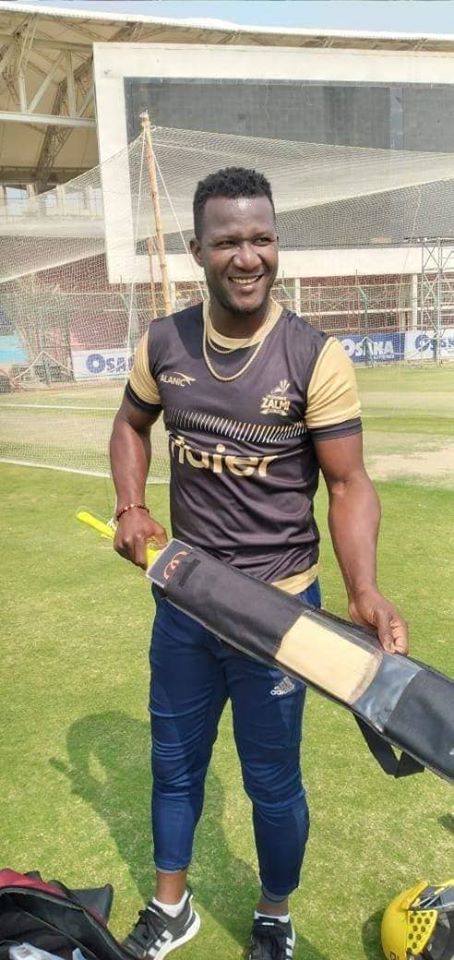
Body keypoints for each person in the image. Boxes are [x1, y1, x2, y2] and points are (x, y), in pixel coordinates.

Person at [110, 167, 409, 960]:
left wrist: (364, 588)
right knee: (174, 763)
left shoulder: (314, 356)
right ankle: (171, 908)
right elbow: (130, 425)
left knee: (271, 782)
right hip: (184, 598)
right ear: (198, 250)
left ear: (276, 242)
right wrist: (131, 505)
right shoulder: (163, 342)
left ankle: (274, 913)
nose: (248, 257)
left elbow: (348, 484)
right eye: (229, 241)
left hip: (279, 612)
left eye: (262, 238)